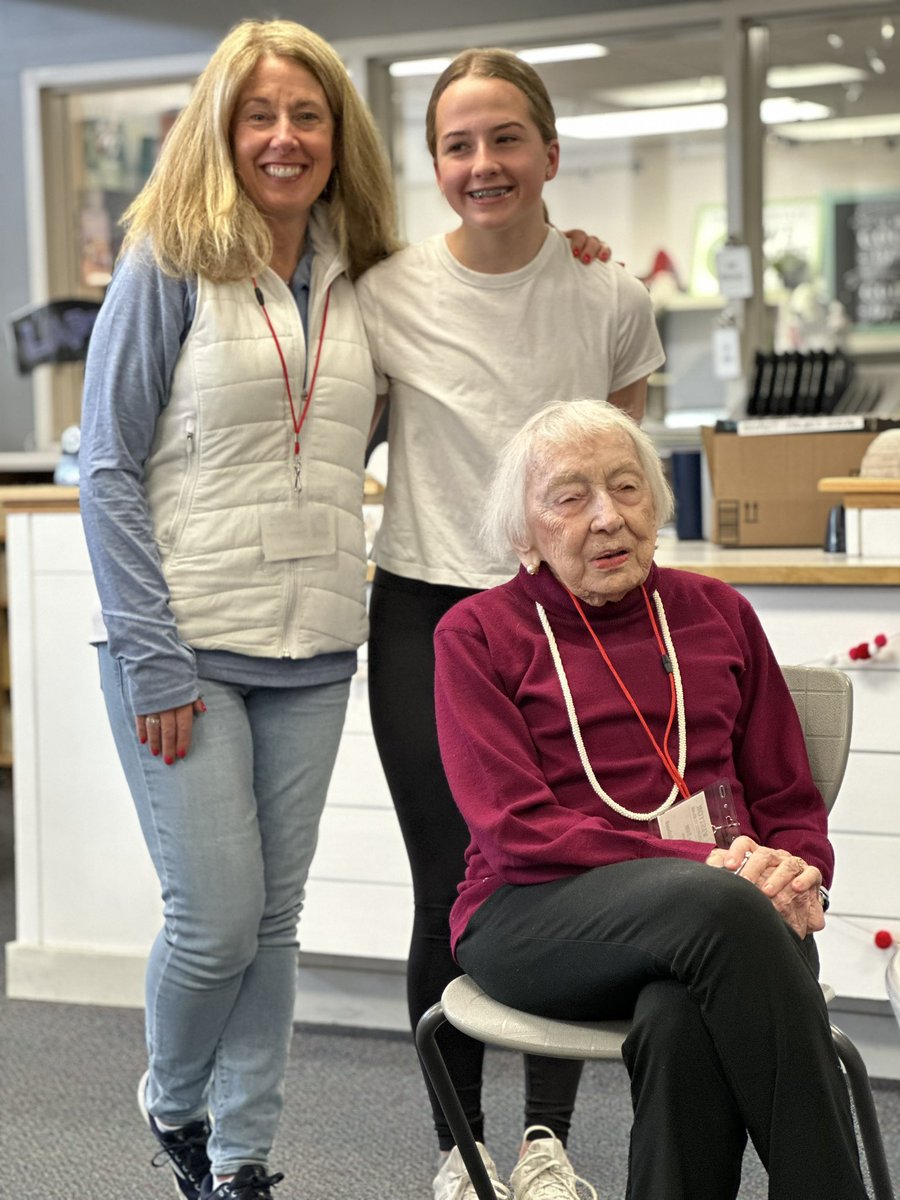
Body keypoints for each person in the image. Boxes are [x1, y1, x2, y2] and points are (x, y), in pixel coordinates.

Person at [78, 19, 398, 1200]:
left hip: (314, 643)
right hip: (186, 645)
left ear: (336, 134)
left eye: (306, 115)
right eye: (259, 115)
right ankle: (173, 1104)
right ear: (221, 129)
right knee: (214, 920)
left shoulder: (364, 272)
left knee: (274, 922)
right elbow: (106, 466)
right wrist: (153, 659)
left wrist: (559, 258)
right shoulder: (170, 257)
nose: (282, 137)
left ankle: (242, 1154)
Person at [355, 49, 665, 1200]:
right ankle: (460, 1146)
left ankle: (543, 1143)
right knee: (448, 878)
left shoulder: (607, 292)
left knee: (559, 876)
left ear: (548, 153)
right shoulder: (386, 292)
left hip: (567, 615)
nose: (481, 165)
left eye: (502, 141)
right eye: (456, 145)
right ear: (435, 163)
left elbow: (614, 458)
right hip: (428, 612)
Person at [432, 397, 869, 1200]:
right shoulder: (477, 634)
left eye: (628, 488)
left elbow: (785, 793)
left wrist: (798, 872)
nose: (608, 518)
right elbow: (516, 831)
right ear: (523, 531)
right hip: (534, 913)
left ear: (658, 506)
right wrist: (713, 868)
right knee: (725, 913)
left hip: (729, 916)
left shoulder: (718, 613)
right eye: (570, 497)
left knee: (680, 1019)